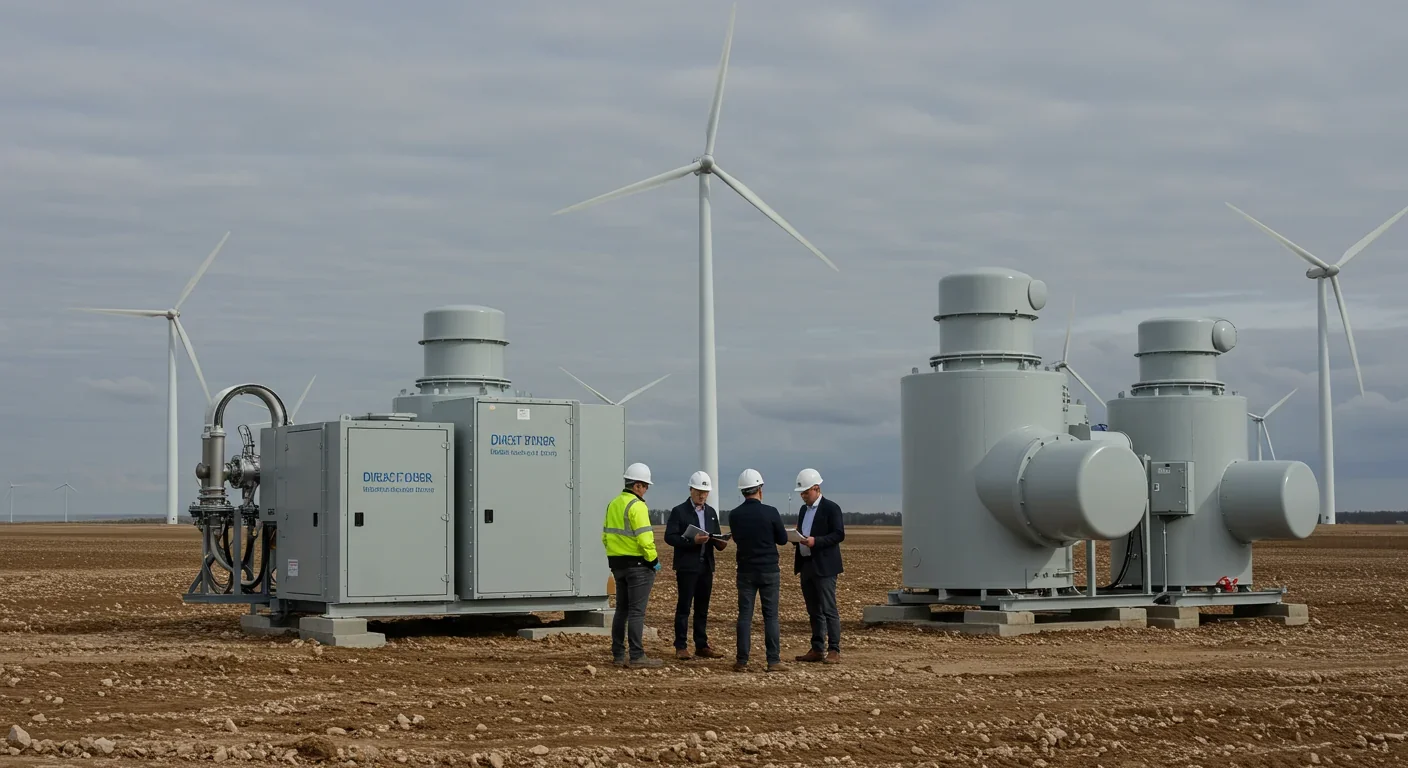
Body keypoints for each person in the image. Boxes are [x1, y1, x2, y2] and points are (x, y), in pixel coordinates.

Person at [601, 462, 664, 668]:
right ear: (637, 485)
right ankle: (637, 656)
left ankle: (618, 654)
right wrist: (654, 562)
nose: (646, 490)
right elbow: (646, 539)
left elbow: (605, 536)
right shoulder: (637, 506)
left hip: (617, 565)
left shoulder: (613, 504)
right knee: (636, 612)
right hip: (638, 566)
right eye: (645, 486)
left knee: (621, 610)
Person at [728, 468, 789, 673]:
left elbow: (736, 538)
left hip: (745, 570)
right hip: (769, 570)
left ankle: (742, 660)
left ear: (742, 491)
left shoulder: (735, 515)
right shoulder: (770, 512)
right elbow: (782, 539)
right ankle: (773, 660)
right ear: (760, 489)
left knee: (745, 615)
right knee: (770, 616)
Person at [664, 471, 727, 660]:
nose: (702, 495)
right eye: (699, 491)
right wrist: (692, 542)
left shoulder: (711, 513)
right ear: (691, 490)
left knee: (702, 608)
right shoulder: (679, 511)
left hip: (706, 566)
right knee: (684, 607)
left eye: (705, 492)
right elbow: (670, 537)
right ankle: (681, 645)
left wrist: (720, 542)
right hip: (687, 567)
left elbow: (715, 535)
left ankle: (701, 644)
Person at [792, 468, 845, 664]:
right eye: (802, 493)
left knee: (829, 609)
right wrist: (795, 538)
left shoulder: (831, 508)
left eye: (806, 492)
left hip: (825, 566)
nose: (803, 496)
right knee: (813, 610)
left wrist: (817, 541)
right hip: (806, 565)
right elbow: (803, 531)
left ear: (816, 488)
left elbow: (839, 534)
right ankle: (817, 648)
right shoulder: (803, 510)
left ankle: (834, 649)